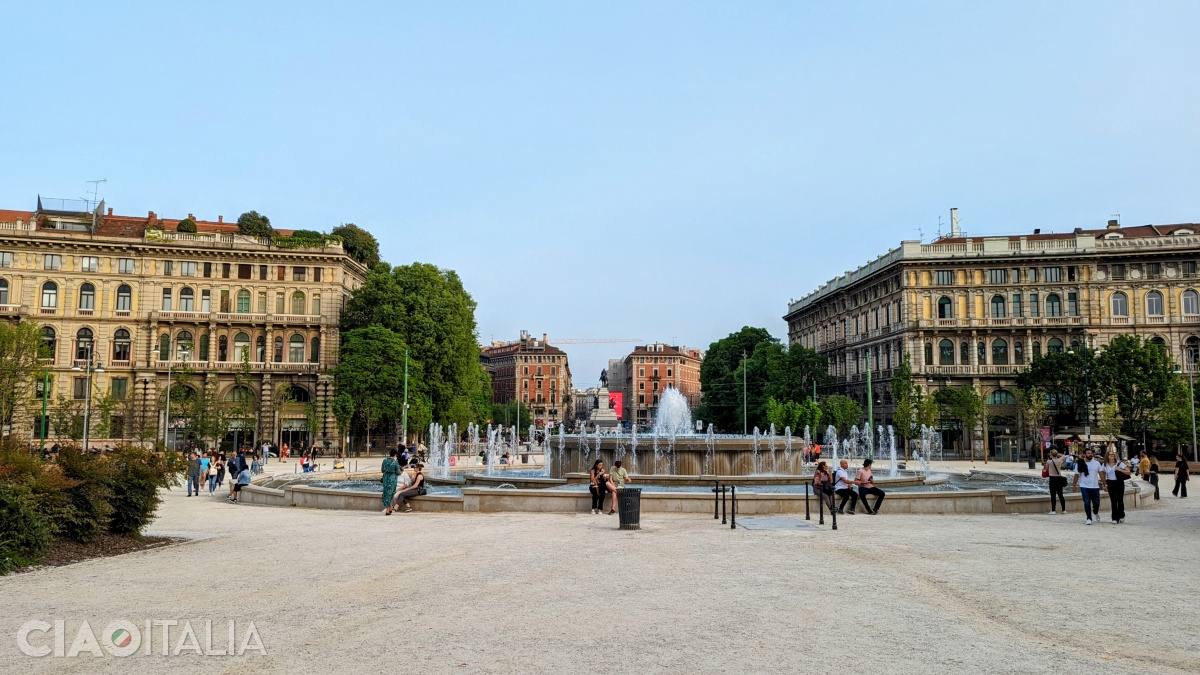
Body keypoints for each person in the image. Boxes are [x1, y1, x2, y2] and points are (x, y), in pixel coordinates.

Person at [1071, 447, 1102, 525]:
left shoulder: (1097, 463)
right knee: (1087, 502)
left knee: (1096, 502)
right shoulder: (1080, 463)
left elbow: (1101, 473)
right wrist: (1074, 485)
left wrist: (1104, 483)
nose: (1090, 454)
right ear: (1084, 455)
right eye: (1088, 453)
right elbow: (1077, 475)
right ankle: (1089, 518)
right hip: (1084, 485)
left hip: (1095, 486)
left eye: (1091, 453)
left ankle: (1095, 512)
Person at [1101, 449, 1130, 524]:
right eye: (1110, 455)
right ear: (1107, 456)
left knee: (1120, 499)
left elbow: (1128, 472)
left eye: (1113, 455)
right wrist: (1104, 484)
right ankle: (1114, 517)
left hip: (1119, 482)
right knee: (1113, 500)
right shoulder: (1104, 464)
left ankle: (1121, 515)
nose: (1111, 456)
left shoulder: (1119, 463)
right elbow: (1103, 474)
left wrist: (1120, 469)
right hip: (1110, 482)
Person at [1045, 449, 1067, 515]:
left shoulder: (1049, 461)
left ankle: (1053, 510)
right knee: (1061, 495)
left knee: (1053, 495)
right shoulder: (1060, 461)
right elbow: (1063, 457)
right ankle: (1063, 510)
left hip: (1052, 479)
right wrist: (1058, 455)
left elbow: (1046, 469)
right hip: (1059, 478)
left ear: (1051, 454)